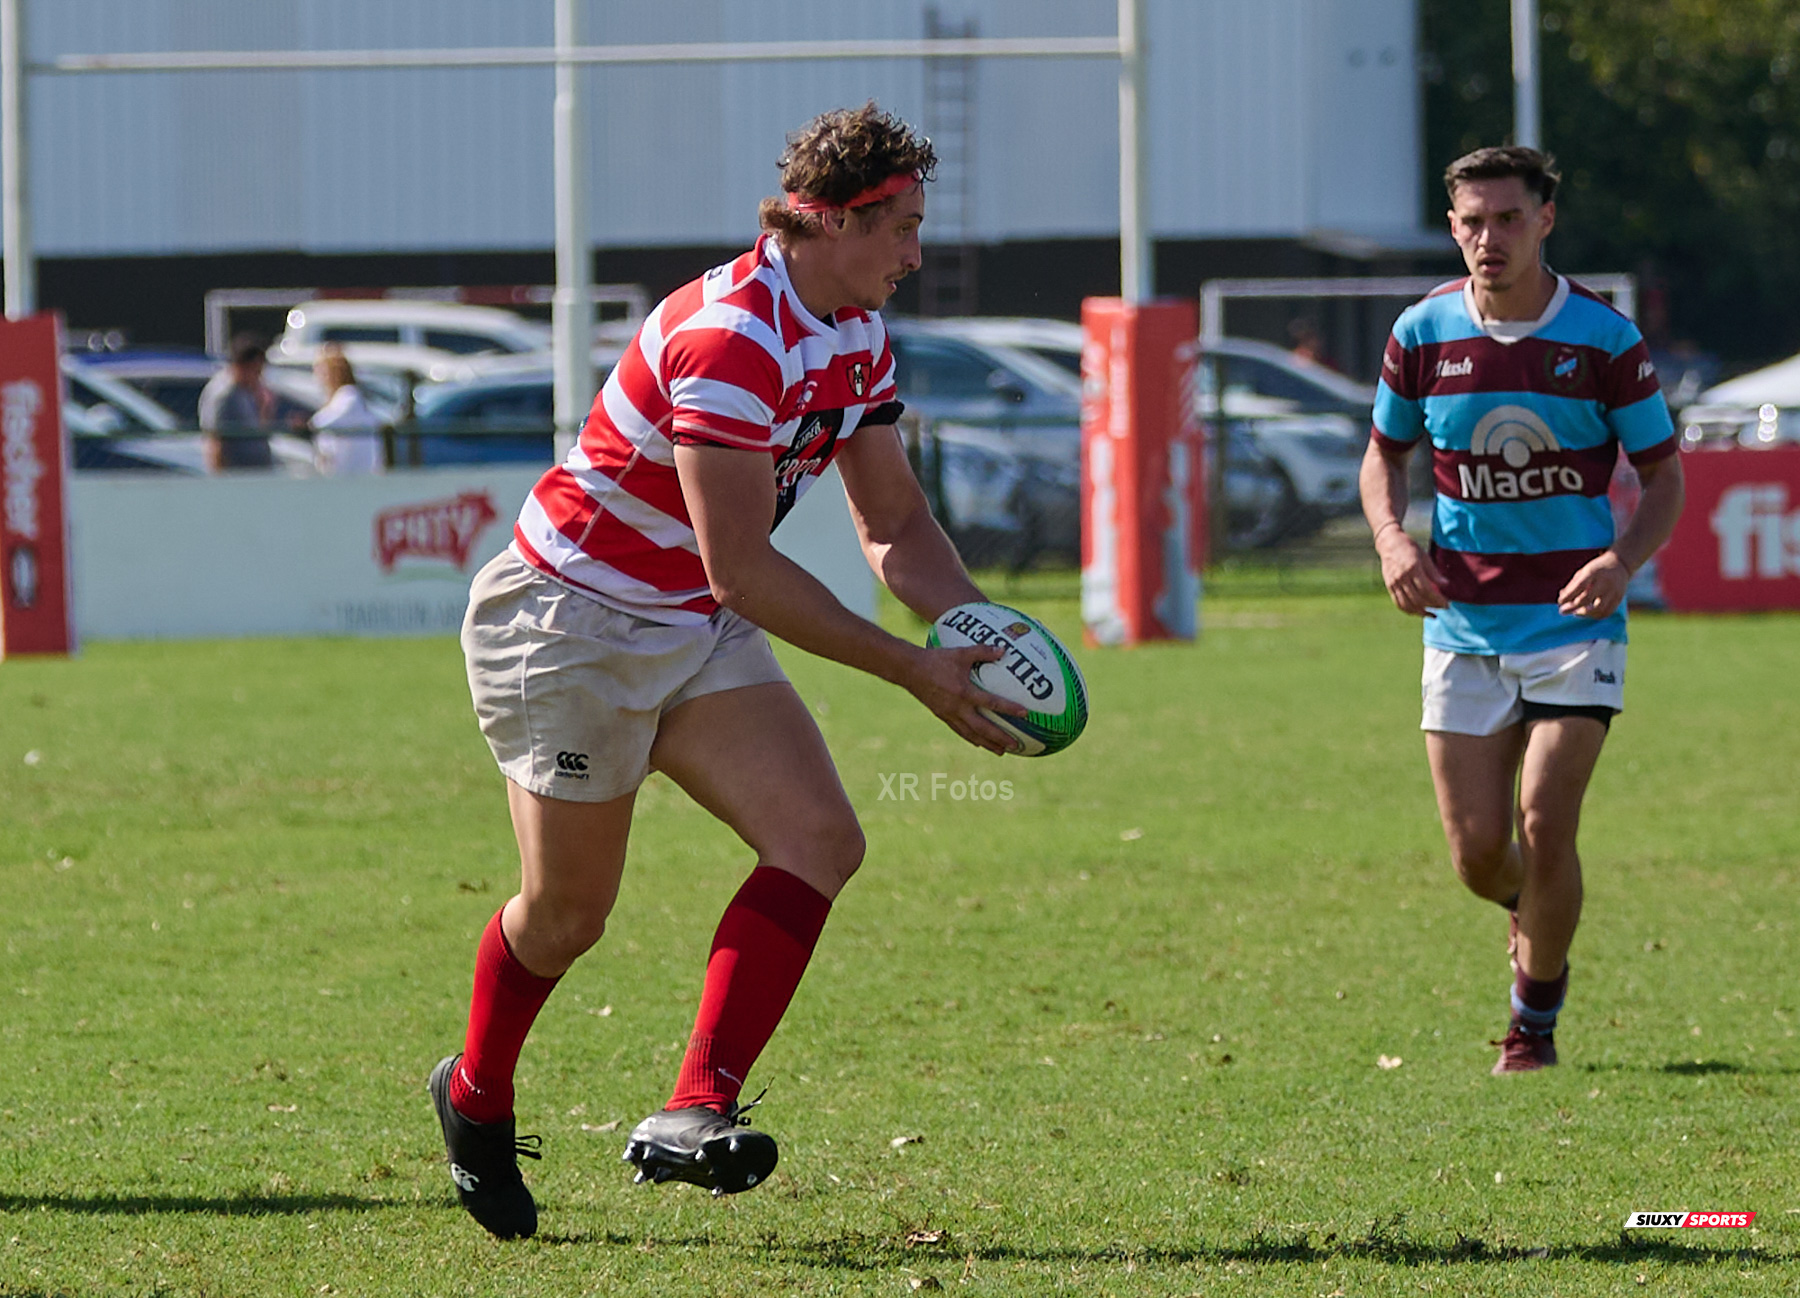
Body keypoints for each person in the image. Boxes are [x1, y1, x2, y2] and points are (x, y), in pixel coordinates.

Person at [429, 102, 1026, 1240]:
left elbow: (895, 522)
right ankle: (474, 1091)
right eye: (902, 226)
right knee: (567, 915)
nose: (916, 253)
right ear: (834, 220)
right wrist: (914, 669)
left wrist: (984, 635)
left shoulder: (854, 329)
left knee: (820, 837)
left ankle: (694, 1106)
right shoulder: (731, 336)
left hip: (691, 620)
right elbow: (744, 568)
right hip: (570, 625)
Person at [1358, 145, 1684, 1076]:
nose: (1488, 238)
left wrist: (1622, 561)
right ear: (1452, 227)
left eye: (1508, 219)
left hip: (1575, 622)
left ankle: (1532, 1025)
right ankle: (1528, 910)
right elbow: (1383, 456)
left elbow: (1664, 478)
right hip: (1463, 622)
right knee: (1477, 856)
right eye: (1472, 222)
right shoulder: (1422, 333)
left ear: (1546, 219)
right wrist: (1391, 541)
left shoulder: (1604, 340)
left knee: (1545, 822)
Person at [197, 332, 278, 471]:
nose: (259, 377)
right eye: (256, 371)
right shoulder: (224, 395)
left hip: (256, 474)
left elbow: (259, 429)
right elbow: (214, 442)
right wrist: (221, 478)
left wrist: (263, 404)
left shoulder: (246, 391)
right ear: (242, 367)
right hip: (237, 475)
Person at [308, 344, 385, 474]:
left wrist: (307, 424)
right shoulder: (333, 400)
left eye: (322, 370)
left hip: (356, 475)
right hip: (339, 475)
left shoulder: (350, 395)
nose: (318, 376)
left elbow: (324, 422)